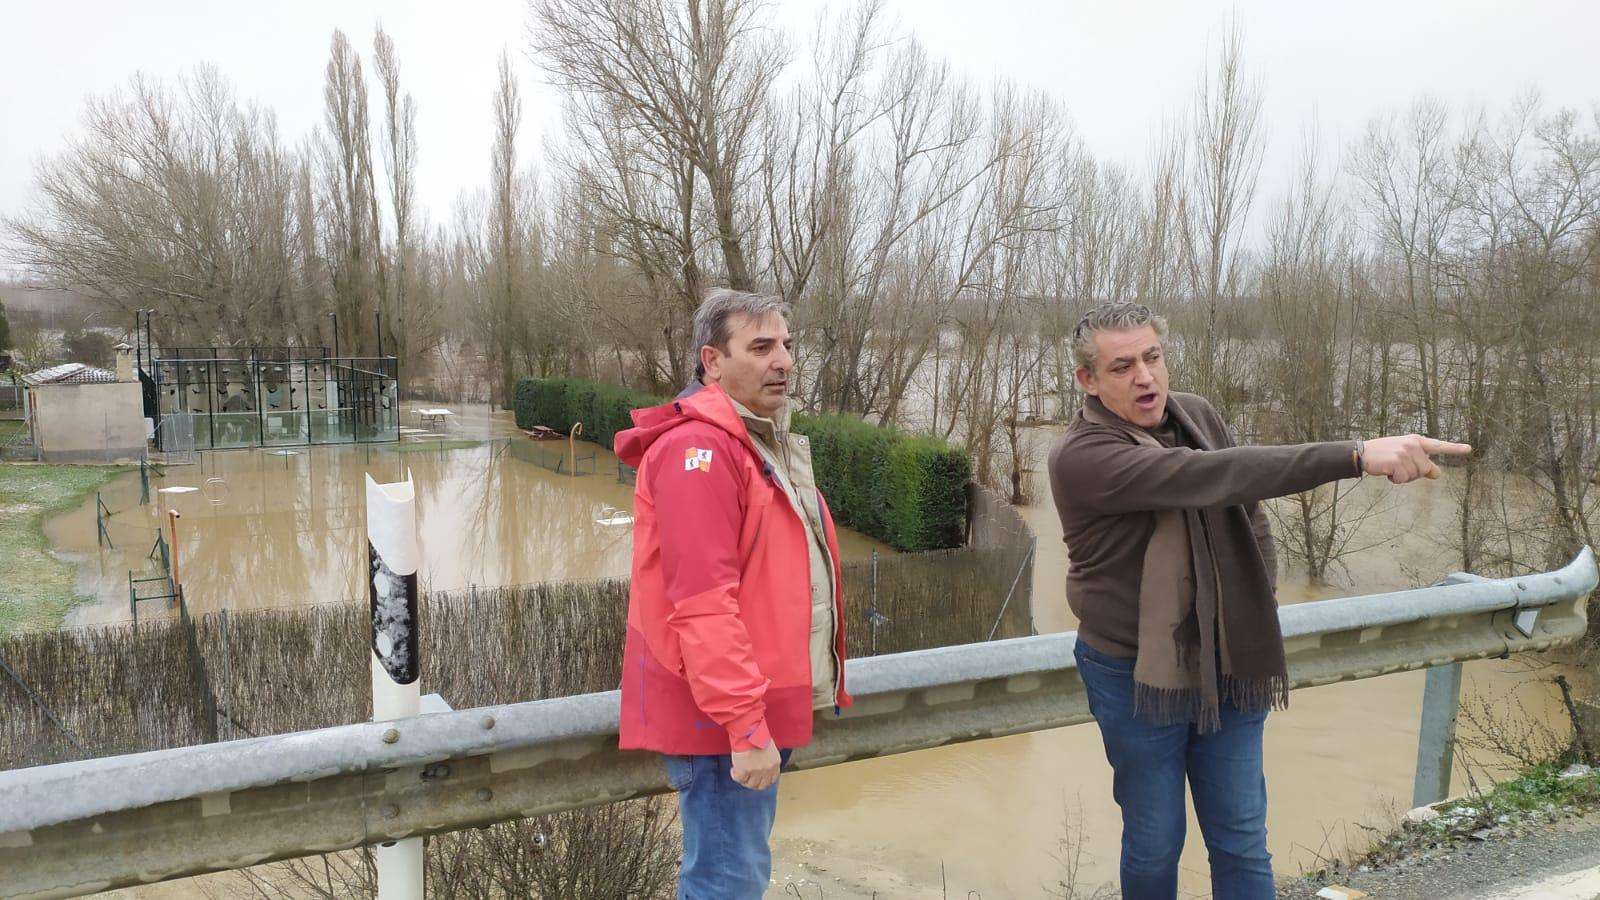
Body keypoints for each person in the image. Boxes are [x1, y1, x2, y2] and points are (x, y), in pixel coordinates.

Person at [1048, 301, 1471, 900]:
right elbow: (1215, 475)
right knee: (1155, 838)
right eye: (1121, 367)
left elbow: (1249, 514)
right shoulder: (1084, 456)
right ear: (1087, 380)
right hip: (1131, 671)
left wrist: (1252, 606)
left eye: (1152, 357)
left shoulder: (1196, 415)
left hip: (1230, 656)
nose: (1145, 376)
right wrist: (1354, 455)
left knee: (1242, 835)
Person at [614, 288, 850, 899]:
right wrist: (746, 728)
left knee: (735, 874)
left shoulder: (757, 442)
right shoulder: (702, 450)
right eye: (762, 347)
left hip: (750, 710)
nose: (784, 361)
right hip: (722, 721)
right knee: (727, 883)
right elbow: (701, 603)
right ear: (711, 362)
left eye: (788, 346)